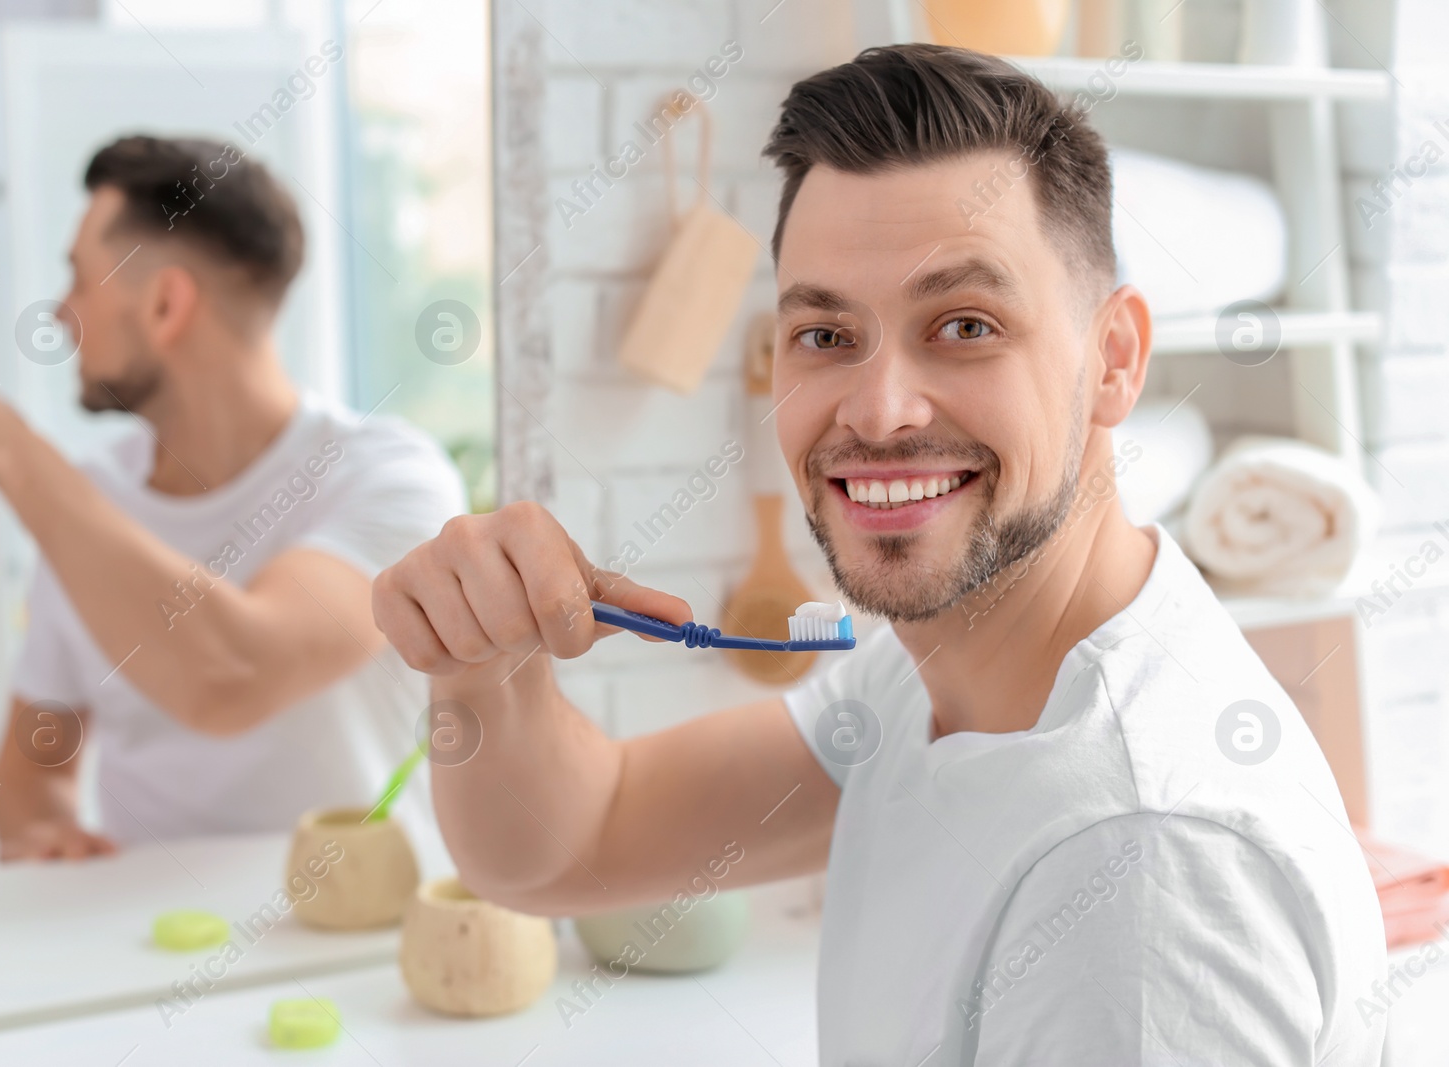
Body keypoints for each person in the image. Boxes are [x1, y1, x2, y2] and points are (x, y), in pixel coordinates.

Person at [370, 45, 1386, 1065]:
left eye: (964, 324)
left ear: (1113, 358)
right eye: (824, 334)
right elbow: (574, 841)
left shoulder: (1139, 866)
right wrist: (480, 671)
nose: (877, 408)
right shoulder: (935, 673)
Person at [0, 135, 464, 863]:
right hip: (141, 942)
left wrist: (12, 453)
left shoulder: (391, 478)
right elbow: (34, 769)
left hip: (356, 937)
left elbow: (234, 675)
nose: (61, 315)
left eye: (79, 281)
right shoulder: (90, 499)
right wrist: (45, 837)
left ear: (165, 305)